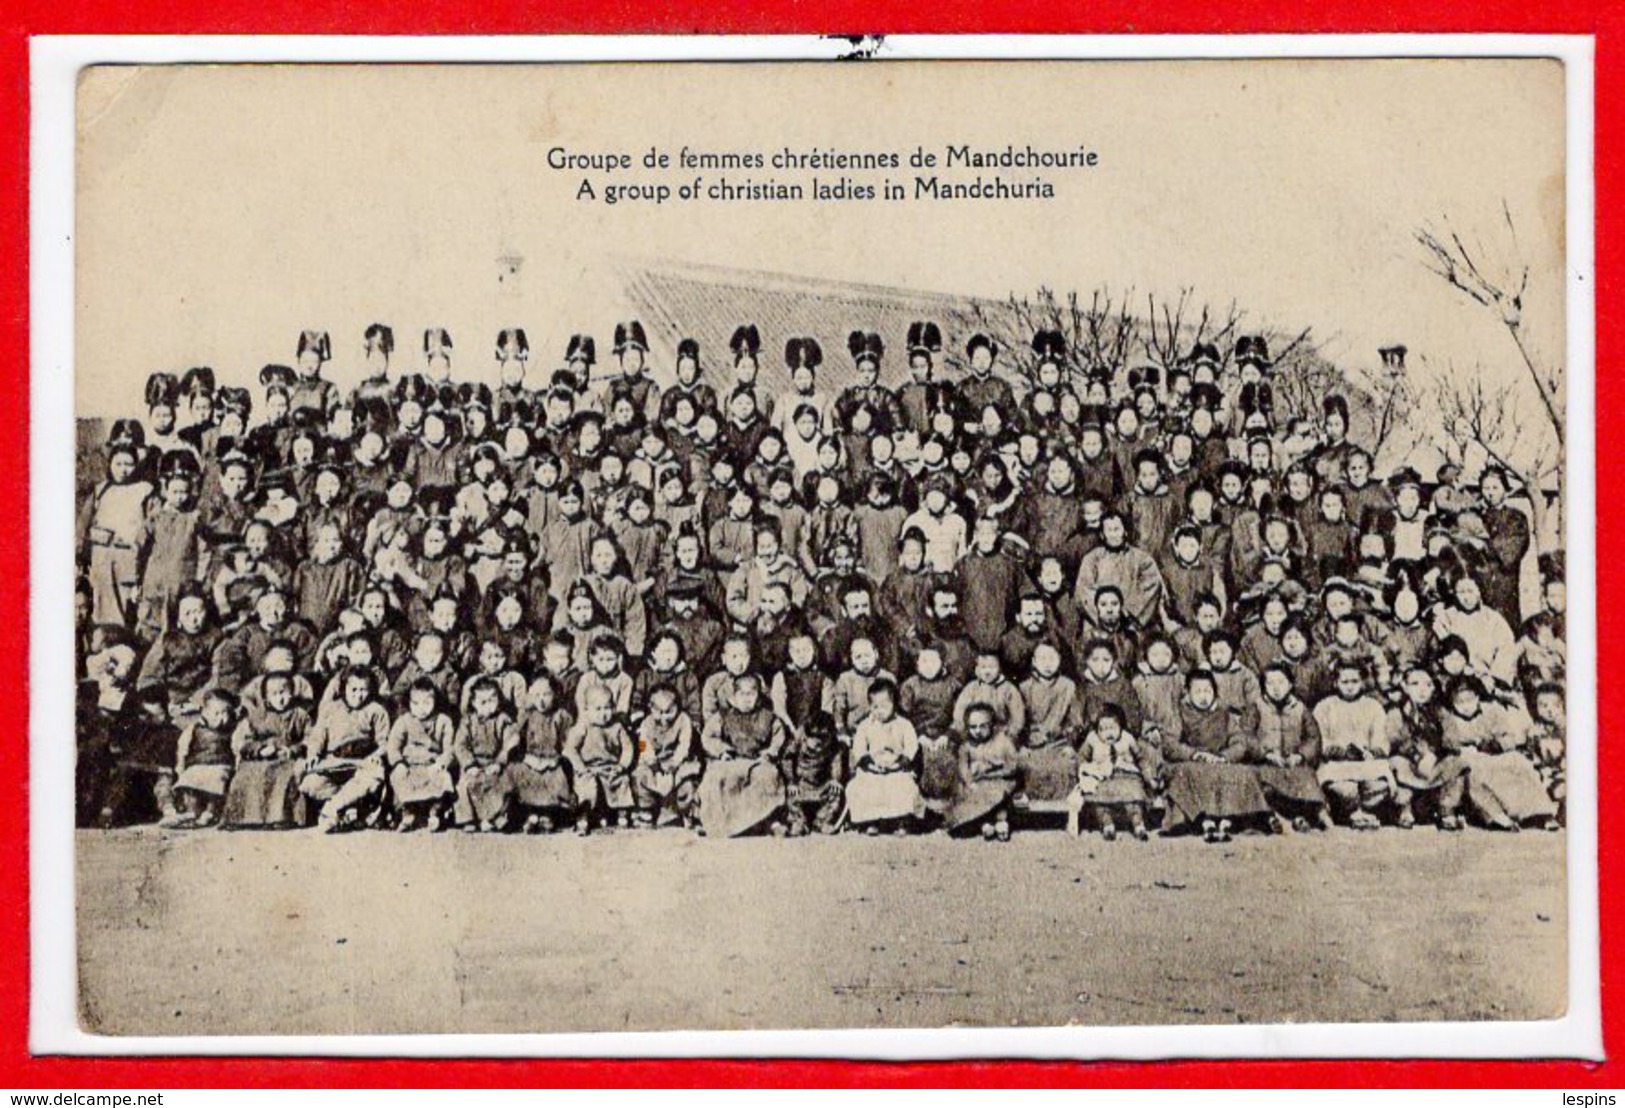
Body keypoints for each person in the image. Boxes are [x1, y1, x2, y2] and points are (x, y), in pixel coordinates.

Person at [1160, 670, 1271, 843]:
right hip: (1192, 761)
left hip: (1220, 760)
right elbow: (1170, 743)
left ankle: (1228, 821)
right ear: (1188, 693)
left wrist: (1224, 757)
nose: (1203, 696)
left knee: (1243, 772)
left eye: (1207, 691)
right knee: (1189, 773)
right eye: (1197, 691)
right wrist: (1194, 754)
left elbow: (1239, 741)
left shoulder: (1225, 714)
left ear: (1215, 692)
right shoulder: (1179, 713)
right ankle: (1205, 822)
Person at [697, 675, 788, 837]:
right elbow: (708, 736)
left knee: (768, 776)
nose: (747, 699)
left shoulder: (768, 717)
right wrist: (722, 751)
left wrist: (769, 753)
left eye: (751, 694)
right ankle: (714, 822)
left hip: (757, 761)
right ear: (733, 697)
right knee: (715, 775)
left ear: (759, 696)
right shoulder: (723, 716)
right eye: (742, 694)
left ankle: (765, 821)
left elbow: (778, 737)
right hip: (733, 760)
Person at [1312, 661, 1398, 829]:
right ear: (1336, 682)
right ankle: (1353, 812)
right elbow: (1320, 737)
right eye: (1345, 682)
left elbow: (1380, 737)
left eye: (1354, 682)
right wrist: (1336, 751)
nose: (1350, 687)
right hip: (1336, 764)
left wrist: (1372, 752)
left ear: (1362, 682)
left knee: (1380, 786)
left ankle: (1365, 811)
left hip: (1367, 764)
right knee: (1345, 790)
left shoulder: (1373, 706)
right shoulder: (1325, 706)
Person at [845, 679, 924, 834]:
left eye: (884, 706)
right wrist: (869, 764)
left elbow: (911, 746)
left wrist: (900, 763)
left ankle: (901, 822)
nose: (880, 710)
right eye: (875, 706)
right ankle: (871, 821)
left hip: (896, 768)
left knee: (903, 786)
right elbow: (859, 748)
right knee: (860, 786)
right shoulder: (865, 726)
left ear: (894, 704)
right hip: (873, 768)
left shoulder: (904, 724)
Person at [1067, 703, 1151, 841]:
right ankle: (1107, 824)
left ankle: (1138, 824)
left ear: (1120, 726)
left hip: (1126, 775)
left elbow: (1140, 757)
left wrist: (1148, 775)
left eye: (1112, 728)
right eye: (1103, 729)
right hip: (1102, 776)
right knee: (1100, 802)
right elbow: (1082, 757)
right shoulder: (1092, 739)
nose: (1108, 733)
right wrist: (1085, 770)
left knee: (1133, 801)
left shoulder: (1127, 738)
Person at [505, 676, 578, 832]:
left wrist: (557, 758)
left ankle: (547, 814)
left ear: (555, 695)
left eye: (546, 694)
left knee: (556, 777)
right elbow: (516, 738)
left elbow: (569, 743)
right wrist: (523, 754)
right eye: (537, 695)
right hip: (531, 759)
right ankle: (530, 814)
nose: (541, 700)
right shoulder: (527, 716)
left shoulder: (561, 716)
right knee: (519, 773)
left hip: (553, 760)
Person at [564, 683, 637, 834]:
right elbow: (570, 749)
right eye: (597, 709)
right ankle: (583, 816)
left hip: (610, 766)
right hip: (588, 767)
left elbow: (628, 748)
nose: (603, 714)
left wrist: (622, 765)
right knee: (587, 786)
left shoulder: (617, 727)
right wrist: (581, 768)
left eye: (607, 708)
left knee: (620, 780)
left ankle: (621, 811)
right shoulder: (583, 726)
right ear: (586, 710)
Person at [386, 679, 456, 832]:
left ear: (435, 701)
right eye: (415, 703)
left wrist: (441, 763)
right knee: (398, 777)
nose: (421, 709)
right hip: (410, 765)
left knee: (442, 778)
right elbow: (393, 746)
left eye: (426, 703)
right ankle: (407, 812)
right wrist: (398, 763)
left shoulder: (443, 721)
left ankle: (435, 813)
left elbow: (449, 748)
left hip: (432, 764)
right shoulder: (404, 721)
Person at [166, 687, 240, 829]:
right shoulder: (194, 728)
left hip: (220, 765)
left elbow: (236, 748)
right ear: (205, 712)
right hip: (197, 765)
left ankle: (210, 811)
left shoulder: (231, 730)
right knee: (189, 782)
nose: (222, 718)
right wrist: (180, 765)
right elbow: (183, 747)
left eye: (226, 713)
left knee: (217, 783)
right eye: (217, 713)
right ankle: (191, 811)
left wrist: (237, 765)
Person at [945, 703, 1021, 841]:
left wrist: (993, 769)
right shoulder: (966, 746)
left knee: (999, 796)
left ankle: (1001, 822)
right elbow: (963, 767)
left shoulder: (1003, 741)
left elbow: (1013, 764)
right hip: (978, 783)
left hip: (1000, 780)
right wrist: (970, 782)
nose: (978, 731)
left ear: (992, 725)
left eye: (983, 726)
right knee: (972, 798)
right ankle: (985, 823)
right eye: (973, 727)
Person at [631, 685, 701, 829]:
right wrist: (654, 767)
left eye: (669, 711)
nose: (664, 717)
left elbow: (684, 745)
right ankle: (646, 810)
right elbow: (643, 746)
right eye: (659, 712)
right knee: (640, 775)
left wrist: (674, 766)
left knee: (687, 780)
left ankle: (687, 812)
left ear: (677, 707)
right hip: (654, 762)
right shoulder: (646, 723)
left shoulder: (683, 720)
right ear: (650, 708)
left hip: (678, 761)